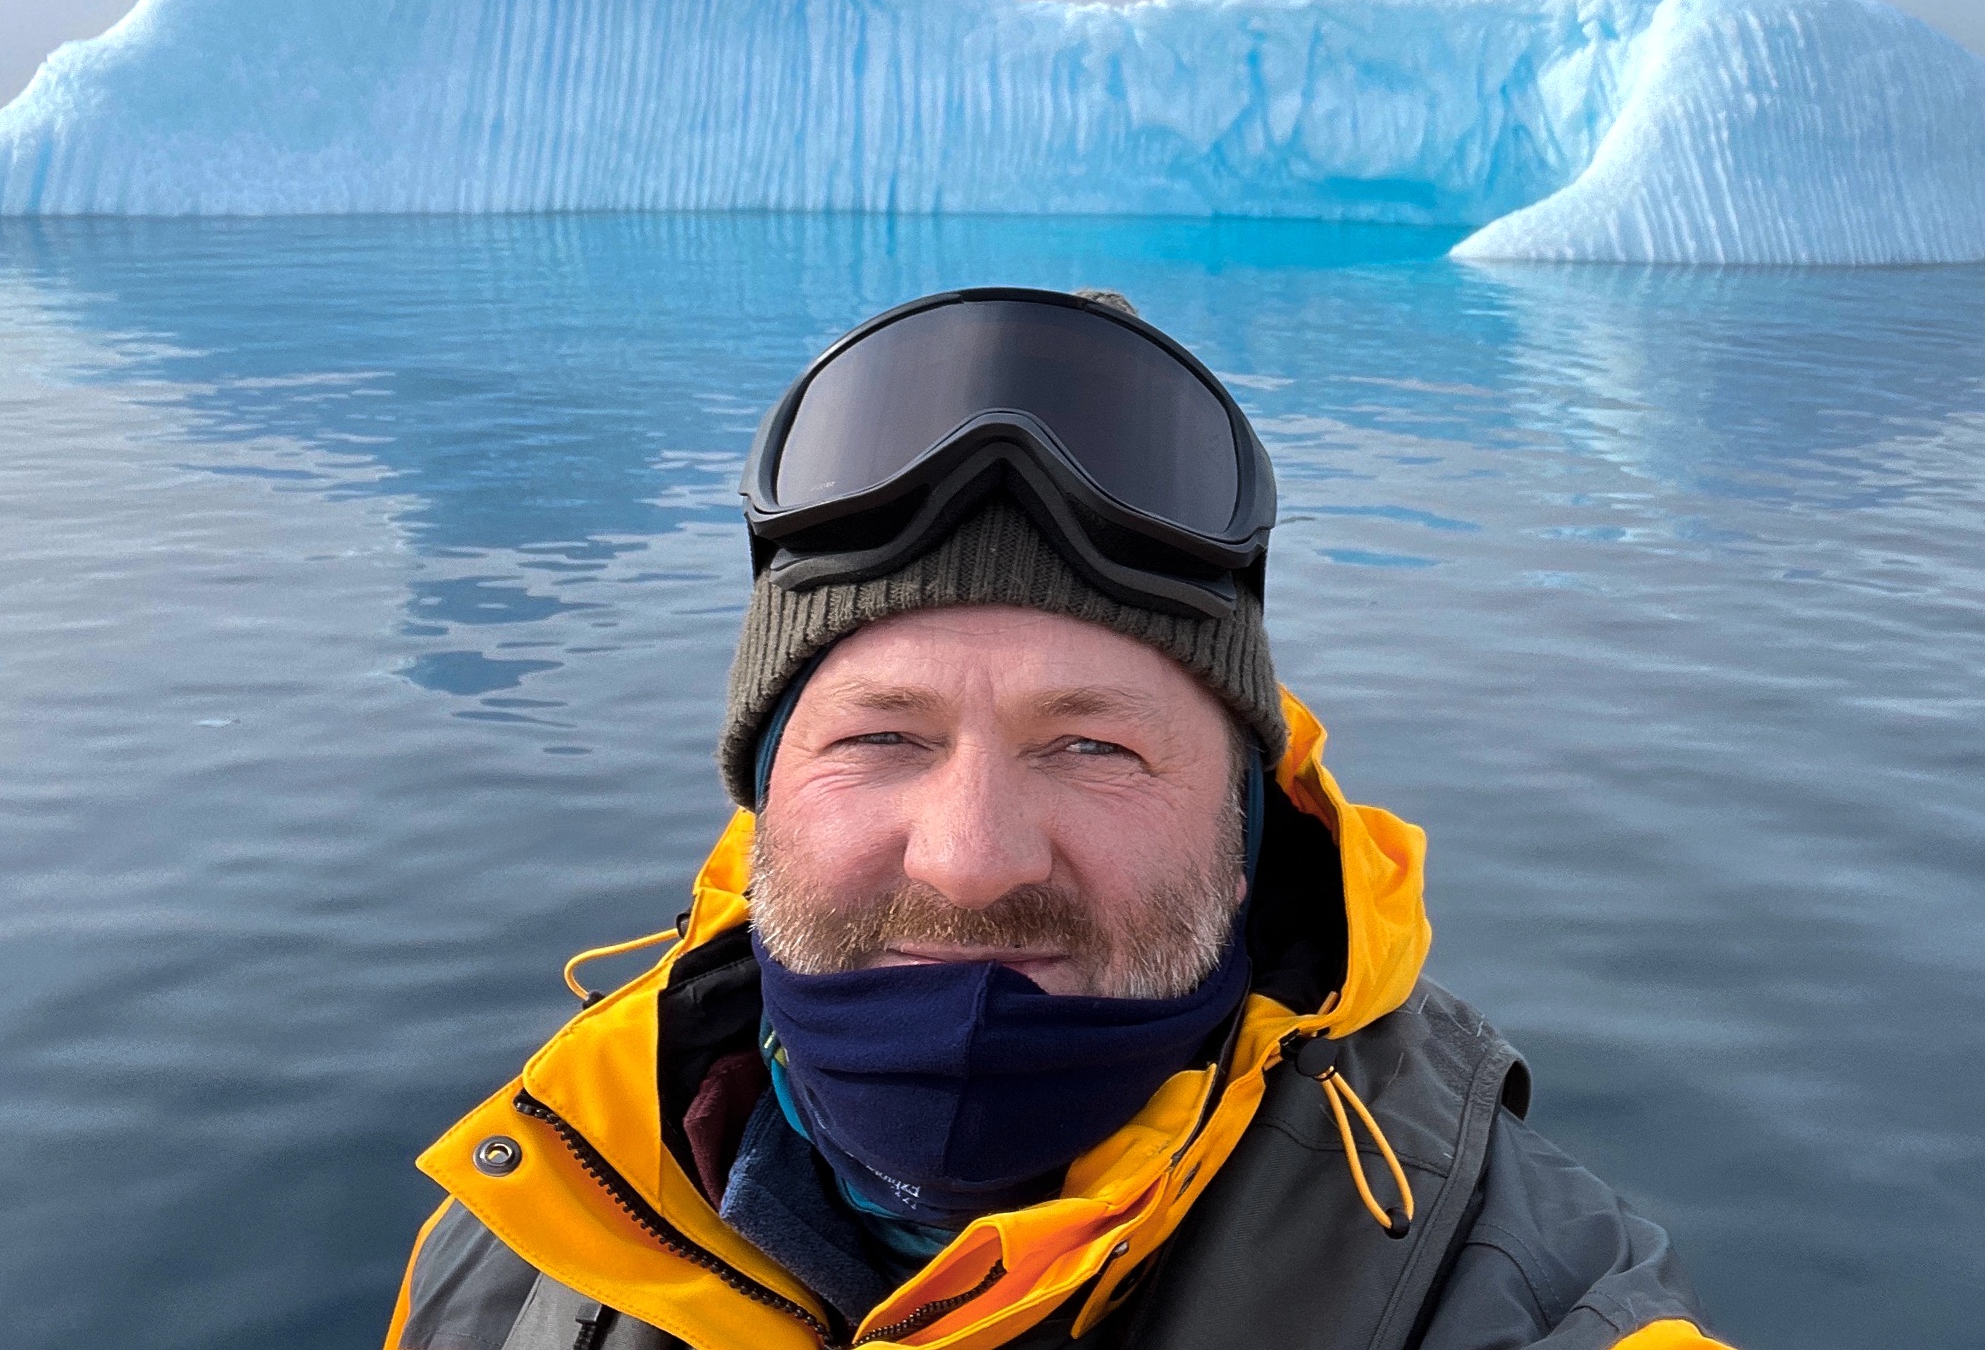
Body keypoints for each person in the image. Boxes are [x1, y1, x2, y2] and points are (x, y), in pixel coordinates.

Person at [385, 287, 1731, 1350]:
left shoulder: (1504, 1284)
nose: (970, 860)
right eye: (881, 736)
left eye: (1091, 744)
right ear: (761, 795)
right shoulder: (531, 1214)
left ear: (1247, 825)